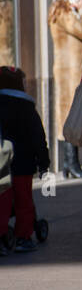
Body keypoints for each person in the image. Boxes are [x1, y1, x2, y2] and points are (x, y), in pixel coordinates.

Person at [0, 67, 51, 253]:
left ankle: (2, 236)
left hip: (1, 164)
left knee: (2, 200)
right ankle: (23, 237)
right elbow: (38, 136)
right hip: (23, 162)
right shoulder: (26, 107)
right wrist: (44, 162)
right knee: (24, 200)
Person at [47, 0, 82, 179]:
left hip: (74, 71)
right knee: (68, 114)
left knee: (72, 114)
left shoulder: (66, 13)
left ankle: (71, 164)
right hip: (68, 73)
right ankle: (71, 163)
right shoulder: (64, 14)